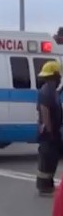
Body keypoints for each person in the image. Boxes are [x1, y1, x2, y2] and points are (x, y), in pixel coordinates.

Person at [36, 60, 63, 196]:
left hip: (52, 131)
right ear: (55, 76)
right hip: (49, 132)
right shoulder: (47, 91)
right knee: (48, 159)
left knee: (51, 159)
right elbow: (45, 111)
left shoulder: (51, 90)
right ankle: (44, 187)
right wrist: (50, 132)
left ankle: (47, 185)